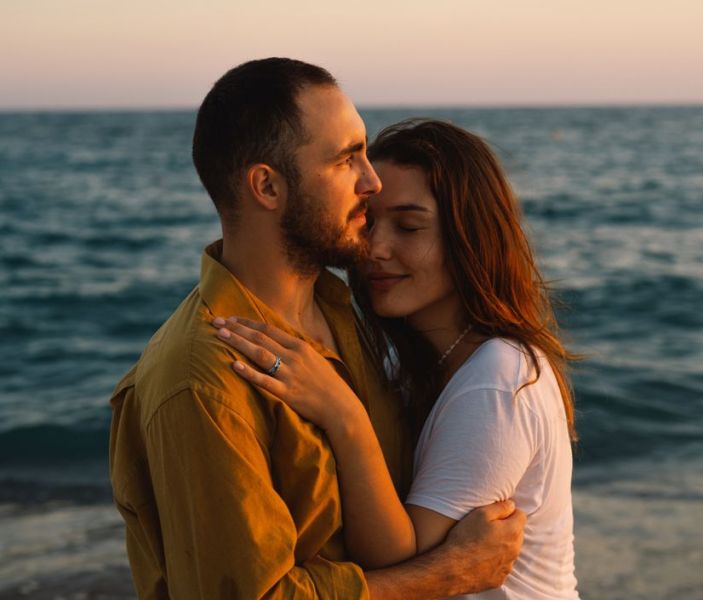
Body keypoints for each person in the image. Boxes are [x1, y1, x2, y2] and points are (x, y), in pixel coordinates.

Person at [109, 60, 526, 599]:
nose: (371, 181)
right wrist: (446, 574)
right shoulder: (203, 380)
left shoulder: (346, 313)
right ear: (267, 187)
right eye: (346, 159)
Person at [214, 119, 580, 598]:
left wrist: (342, 414)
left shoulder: (499, 379)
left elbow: (396, 561)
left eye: (409, 226)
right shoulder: (409, 367)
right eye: (368, 222)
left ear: (469, 237)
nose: (376, 249)